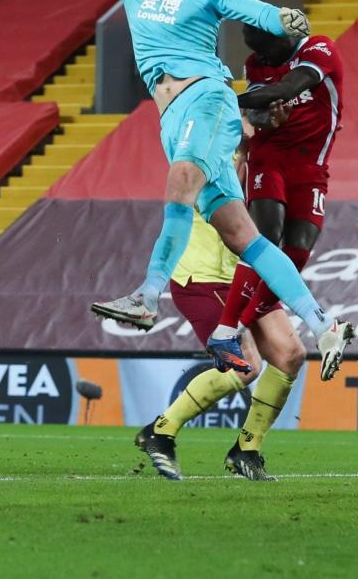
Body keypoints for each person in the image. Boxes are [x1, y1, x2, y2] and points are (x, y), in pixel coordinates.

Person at [0, 0, 352, 380]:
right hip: (170, 115)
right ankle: (324, 324)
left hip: (205, 97)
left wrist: (282, 16)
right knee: (244, 237)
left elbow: (252, 10)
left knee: (181, 177)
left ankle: (147, 294)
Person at [134, 144, 306, 481]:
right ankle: (160, 430)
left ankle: (247, 449)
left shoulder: (263, 158)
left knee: (290, 354)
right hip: (201, 275)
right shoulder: (205, 152)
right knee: (245, 366)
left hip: (245, 275)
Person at [211, 27, 344, 340]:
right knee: (265, 238)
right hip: (269, 156)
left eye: (268, 52)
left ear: (283, 40)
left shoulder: (320, 49)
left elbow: (288, 87)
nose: (263, 59)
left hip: (311, 165)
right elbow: (256, 113)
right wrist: (264, 117)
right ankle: (228, 326)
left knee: (297, 252)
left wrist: (227, 99)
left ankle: (243, 321)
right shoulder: (256, 62)